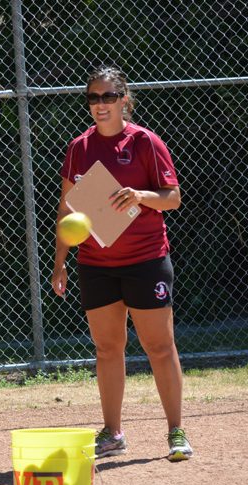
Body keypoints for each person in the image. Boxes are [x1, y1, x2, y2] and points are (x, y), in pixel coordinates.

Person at [51, 67, 193, 462]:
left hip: (145, 260)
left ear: (124, 99)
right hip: (96, 263)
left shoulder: (146, 142)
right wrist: (60, 263)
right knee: (108, 348)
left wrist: (139, 195)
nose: (100, 104)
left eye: (108, 96)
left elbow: (173, 198)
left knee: (159, 347)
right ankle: (112, 433)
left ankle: (175, 431)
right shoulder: (79, 147)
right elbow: (67, 210)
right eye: (93, 97)